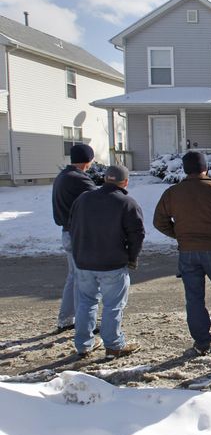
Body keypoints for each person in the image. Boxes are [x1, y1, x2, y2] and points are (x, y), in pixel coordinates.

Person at [153, 151, 211, 355]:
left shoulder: (173, 193)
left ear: (185, 169)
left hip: (187, 252)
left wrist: (180, 235)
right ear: (205, 168)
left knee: (194, 298)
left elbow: (159, 222)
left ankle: (202, 342)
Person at [68, 165, 144, 358]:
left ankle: (83, 345)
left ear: (105, 179)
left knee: (85, 303)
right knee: (113, 305)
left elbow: (72, 226)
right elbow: (137, 235)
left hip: (84, 262)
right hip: (113, 263)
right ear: (125, 182)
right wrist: (132, 257)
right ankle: (113, 345)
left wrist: (78, 253)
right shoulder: (127, 202)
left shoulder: (83, 199)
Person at [51, 143, 97, 332]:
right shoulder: (79, 180)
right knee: (84, 280)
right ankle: (83, 322)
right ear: (87, 161)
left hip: (67, 232)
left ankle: (66, 318)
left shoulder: (62, 176)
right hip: (78, 234)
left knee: (74, 277)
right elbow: (101, 199)